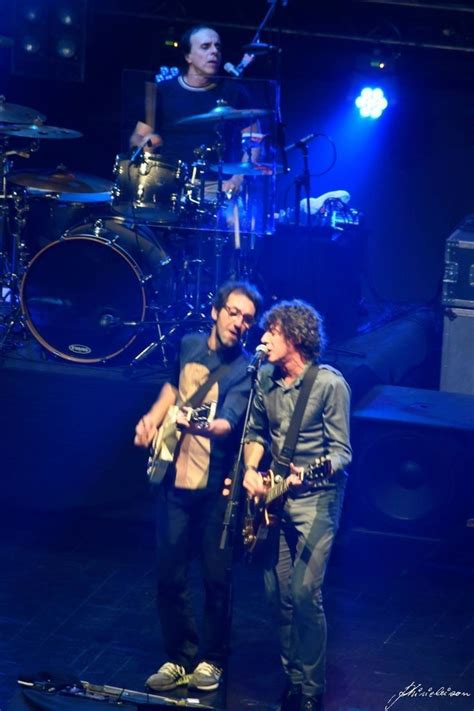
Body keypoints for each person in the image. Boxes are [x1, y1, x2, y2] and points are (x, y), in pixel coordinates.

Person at [134, 280, 262, 693]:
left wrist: (195, 424)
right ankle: (179, 656)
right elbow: (172, 389)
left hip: (216, 492)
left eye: (247, 319)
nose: (239, 323)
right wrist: (153, 418)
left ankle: (213, 659)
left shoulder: (245, 369)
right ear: (215, 311)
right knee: (169, 574)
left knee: (215, 578)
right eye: (234, 313)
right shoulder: (189, 345)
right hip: (175, 479)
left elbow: (228, 423)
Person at [242, 300, 352, 711]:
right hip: (275, 500)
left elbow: (341, 454)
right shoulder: (264, 380)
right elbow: (253, 433)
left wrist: (311, 472)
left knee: (306, 594)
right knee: (278, 597)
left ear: (296, 338)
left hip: (317, 498)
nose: (263, 337)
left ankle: (312, 688)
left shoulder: (329, 385)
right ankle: (291, 678)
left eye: (272, 331)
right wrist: (252, 472)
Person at [130, 25, 259, 200]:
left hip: (218, 187)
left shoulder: (235, 92)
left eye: (217, 47)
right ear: (187, 56)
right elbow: (137, 138)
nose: (214, 51)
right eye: (206, 47)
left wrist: (238, 179)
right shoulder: (163, 91)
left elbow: (255, 140)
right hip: (168, 185)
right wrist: (145, 143)